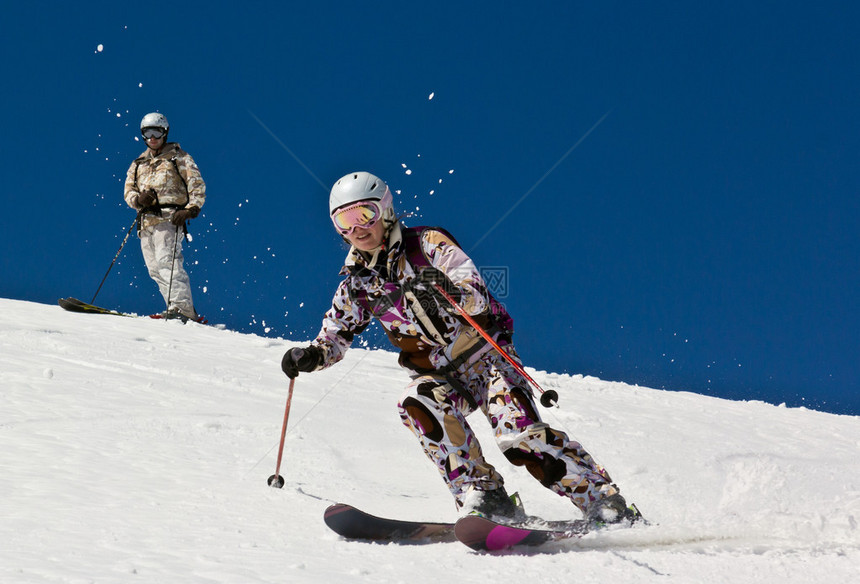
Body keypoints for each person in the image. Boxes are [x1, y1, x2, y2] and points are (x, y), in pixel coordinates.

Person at [282, 171, 642, 527]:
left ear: (386, 211)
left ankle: (604, 502)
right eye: (344, 221)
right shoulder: (357, 285)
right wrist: (312, 356)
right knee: (417, 401)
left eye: (364, 215)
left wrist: (452, 292)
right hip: (439, 374)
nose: (356, 229)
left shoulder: (426, 245)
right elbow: (336, 333)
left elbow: (474, 289)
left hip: (486, 361)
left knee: (518, 437)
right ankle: (485, 494)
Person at [123, 112, 206, 321]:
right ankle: (173, 305)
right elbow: (128, 191)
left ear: (165, 133)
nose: (152, 137)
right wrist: (139, 200)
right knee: (154, 268)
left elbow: (196, 184)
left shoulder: (179, 157)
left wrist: (191, 209)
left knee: (167, 261)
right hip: (146, 221)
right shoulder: (138, 163)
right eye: (147, 133)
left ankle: (183, 309)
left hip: (169, 218)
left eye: (157, 132)